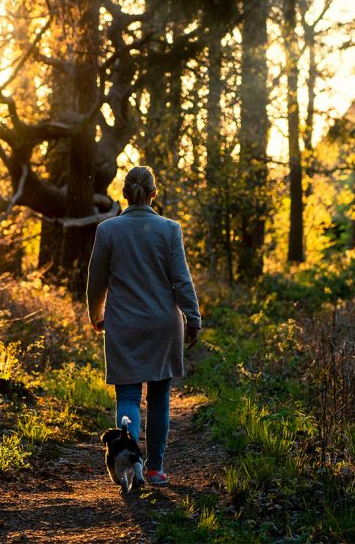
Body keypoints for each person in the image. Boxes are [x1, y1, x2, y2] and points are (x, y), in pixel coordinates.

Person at [86, 165, 202, 486]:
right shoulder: (170, 229)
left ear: (124, 194)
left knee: (127, 398)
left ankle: (127, 457)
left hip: (123, 325)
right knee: (160, 401)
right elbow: (181, 279)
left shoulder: (108, 230)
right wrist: (193, 317)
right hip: (164, 326)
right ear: (154, 194)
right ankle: (154, 469)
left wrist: (96, 313)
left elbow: (96, 281)